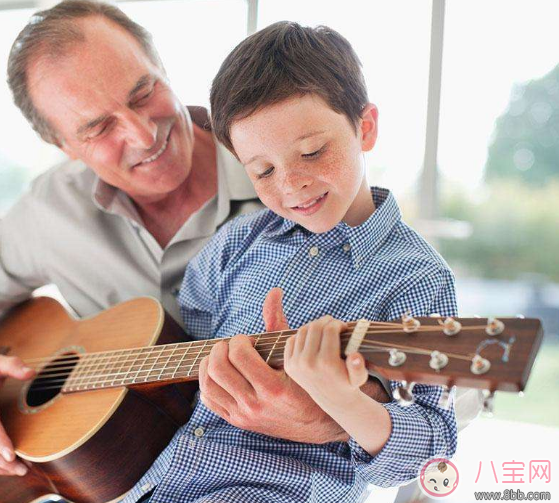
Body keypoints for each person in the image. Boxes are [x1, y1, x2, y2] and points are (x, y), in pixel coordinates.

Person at [0, 0, 393, 485]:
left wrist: (331, 420)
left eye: (142, 92)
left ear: (163, 67)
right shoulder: (51, 209)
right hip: (121, 477)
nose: (142, 132)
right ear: (61, 145)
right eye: (98, 126)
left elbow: (415, 399)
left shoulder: (293, 176)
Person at [120, 20, 462, 503]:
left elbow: (434, 447)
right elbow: (185, 358)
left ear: (365, 128)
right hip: (157, 484)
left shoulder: (417, 278)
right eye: (263, 170)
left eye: (313, 151)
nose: (290, 185)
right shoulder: (234, 245)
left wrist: (341, 402)